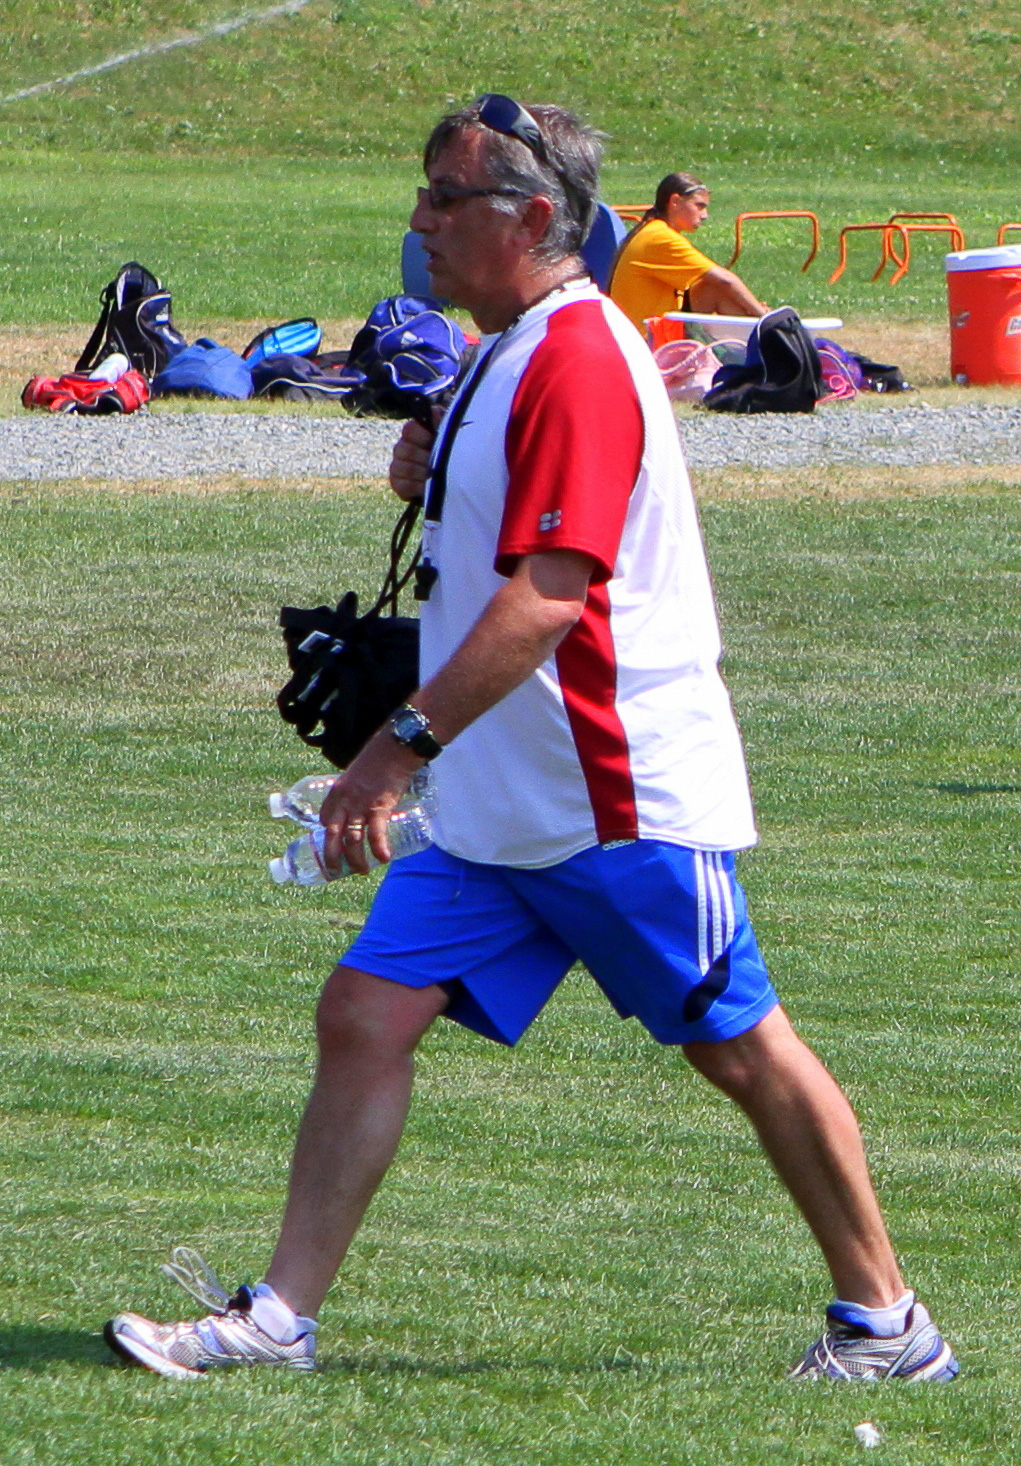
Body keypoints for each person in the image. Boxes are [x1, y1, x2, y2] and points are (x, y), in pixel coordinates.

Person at [104, 95, 957, 1384]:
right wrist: (431, 470)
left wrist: (391, 750)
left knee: (740, 1045)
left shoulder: (576, 357)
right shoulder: (510, 348)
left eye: (448, 198)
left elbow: (552, 593)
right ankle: (278, 1317)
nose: (421, 220)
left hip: (611, 796)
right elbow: (504, 521)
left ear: (534, 216)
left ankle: (889, 1323)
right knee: (364, 1012)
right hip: (505, 800)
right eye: (425, 192)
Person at [609, 171, 769, 334]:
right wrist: (764, 316)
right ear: (675, 201)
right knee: (720, 289)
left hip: (651, 330)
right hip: (645, 339)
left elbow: (708, 286)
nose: (705, 215)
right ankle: (765, 335)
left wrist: (750, 308)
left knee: (713, 290)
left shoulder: (654, 230)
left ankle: (758, 335)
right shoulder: (661, 237)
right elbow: (725, 280)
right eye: (699, 206)